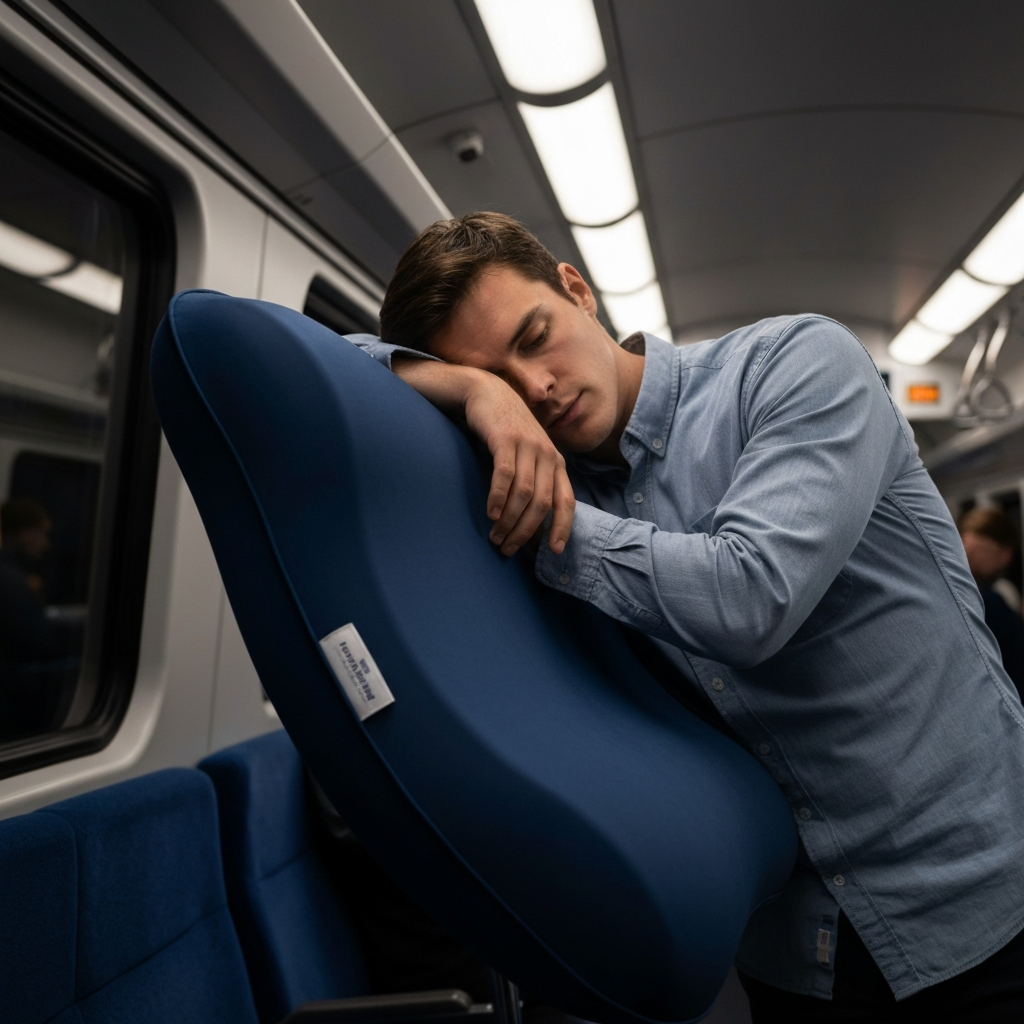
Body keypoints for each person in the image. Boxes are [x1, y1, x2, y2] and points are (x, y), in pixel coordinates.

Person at [347, 212, 1024, 1022]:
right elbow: (332, 361)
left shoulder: (795, 363)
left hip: (979, 904)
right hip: (796, 946)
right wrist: (470, 392)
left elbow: (749, 599)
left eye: (535, 338)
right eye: (499, 374)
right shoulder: (534, 451)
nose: (536, 389)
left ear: (577, 290)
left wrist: (547, 519)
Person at [0, 496, 82, 741]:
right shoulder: (12, 582)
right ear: (23, 533)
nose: (45, 543)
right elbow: (36, 644)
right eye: (41, 533)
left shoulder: (16, 576)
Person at [958, 506, 1024, 699]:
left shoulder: (999, 597)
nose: (965, 560)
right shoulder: (989, 603)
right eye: (965, 551)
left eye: (975, 553)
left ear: (1006, 554)